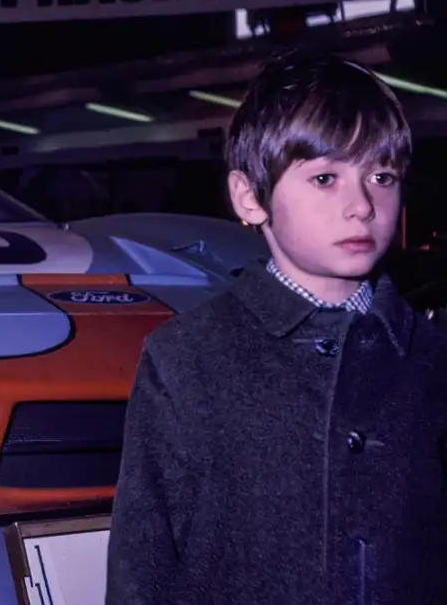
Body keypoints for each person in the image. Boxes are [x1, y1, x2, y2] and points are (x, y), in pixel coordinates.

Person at [105, 51, 447, 605]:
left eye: (381, 176)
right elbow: (142, 567)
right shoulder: (186, 360)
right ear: (250, 197)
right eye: (325, 178)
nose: (361, 205)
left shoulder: (430, 356)